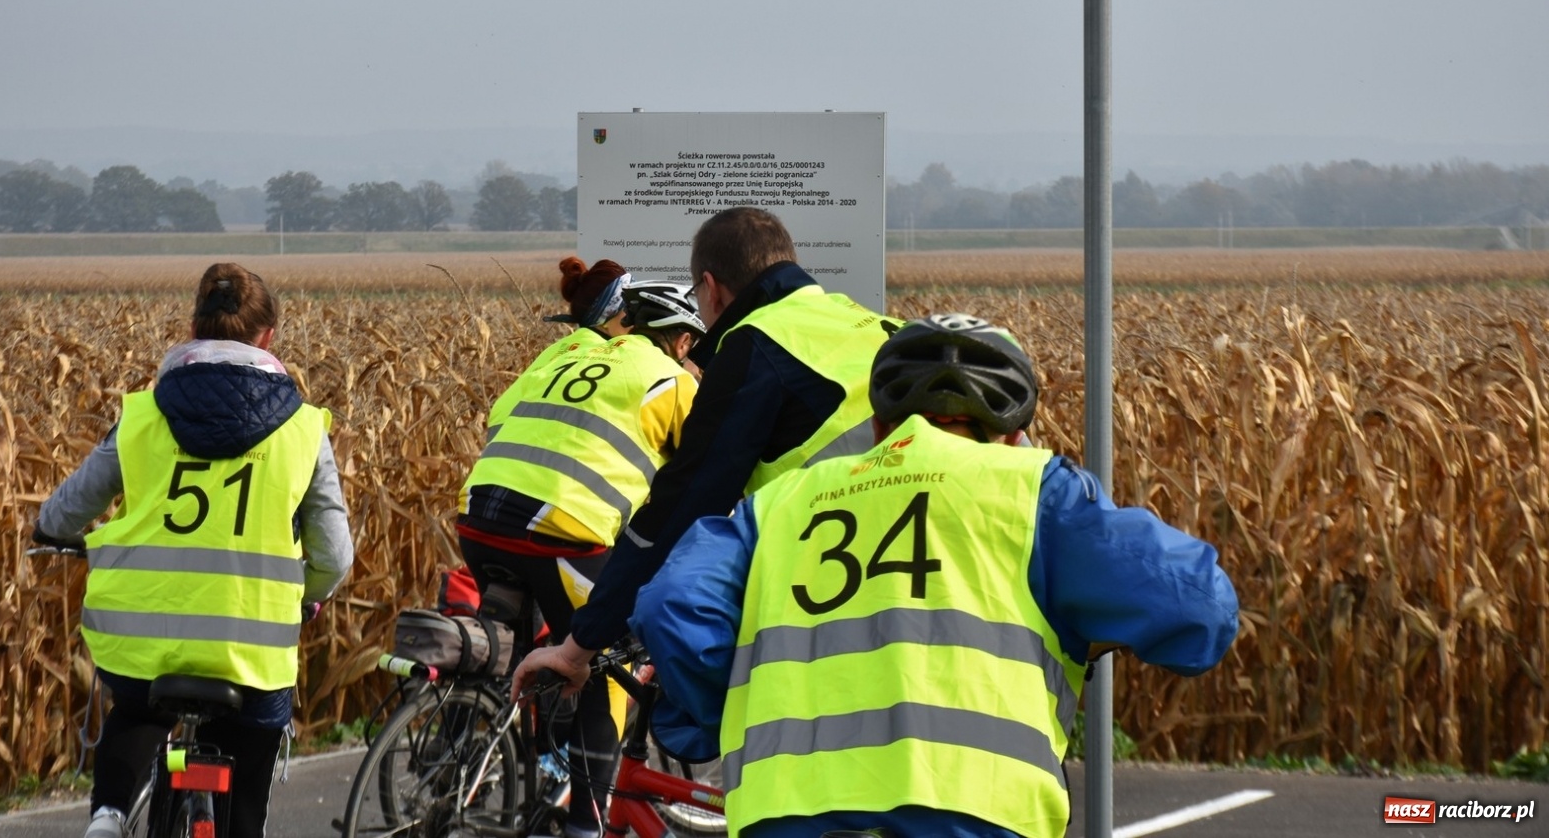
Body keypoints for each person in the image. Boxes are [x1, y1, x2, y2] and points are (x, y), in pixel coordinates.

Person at [630, 313, 1240, 838]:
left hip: (784, 812)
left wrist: (724, 716)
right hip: (971, 812)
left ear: (877, 427)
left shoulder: (778, 504)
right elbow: (1200, 608)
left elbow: (671, 606)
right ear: (1014, 436)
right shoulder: (1032, 490)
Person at [511, 207, 892, 700]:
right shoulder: (879, 325)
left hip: (850, 576)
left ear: (711, 289)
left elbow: (682, 505)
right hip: (941, 564)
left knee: (692, 659)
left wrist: (576, 648)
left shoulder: (755, 345)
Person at [34, 263, 354, 838]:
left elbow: (60, 516)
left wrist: (62, 538)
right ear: (268, 337)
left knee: (136, 706)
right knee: (249, 766)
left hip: (143, 638)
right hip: (252, 653)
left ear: (192, 328)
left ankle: (108, 816)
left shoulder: (144, 415)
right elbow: (334, 557)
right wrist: (307, 596)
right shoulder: (304, 430)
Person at [457, 258, 703, 838]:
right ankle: (584, 826)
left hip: (480, 516)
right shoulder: (673, 380)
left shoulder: (561, 354)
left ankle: (495, 762)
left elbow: (500, 420)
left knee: (518, 653)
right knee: (598, 660)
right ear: (682, 340)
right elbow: (703, 477)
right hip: (563, 532)